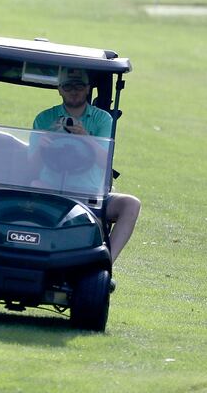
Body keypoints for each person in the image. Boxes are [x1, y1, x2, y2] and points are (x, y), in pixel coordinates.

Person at [33, 67, 141, 269]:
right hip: (50, 189)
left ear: (88, 88)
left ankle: (106, 264)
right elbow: (31, 167)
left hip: (90, 194)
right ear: (59, 89)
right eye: (68, 86)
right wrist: (43, 145)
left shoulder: (102, 119)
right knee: (34, 185)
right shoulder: (45, 119)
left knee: (131, 204)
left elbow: (105, 162)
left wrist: (86, 138)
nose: (74, 91)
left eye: (79, 86)